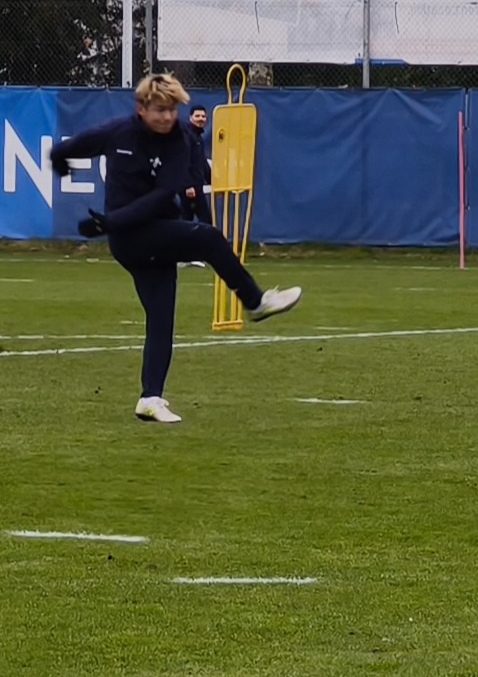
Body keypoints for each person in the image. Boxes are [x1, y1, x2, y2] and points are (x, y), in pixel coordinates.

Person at [50, 73, 301, 424]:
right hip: (130, 240)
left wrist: (110, 221)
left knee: (161, 317)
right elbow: (67, 148)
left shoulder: (181, 140)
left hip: (149, 230)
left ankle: (150, 398)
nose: (167, 117)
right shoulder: (118, 133)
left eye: (171, 110)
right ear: (141, 108)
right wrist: (60, 161)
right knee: (210, 238)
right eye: (159, 110)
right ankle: (256, 302)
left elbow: (159, 198)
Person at [182, 105, 213, 224]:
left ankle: (181, 242)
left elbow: (201, 161)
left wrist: (211, 181)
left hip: (196, 185)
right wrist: (188, 186)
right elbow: (182, 162)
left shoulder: (198, 137)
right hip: (191, 187)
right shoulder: (187, 136)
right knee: (205, 221)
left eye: (203, 116)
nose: (201, 119)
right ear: (190, 117)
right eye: (197, 116)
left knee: (186, 219)